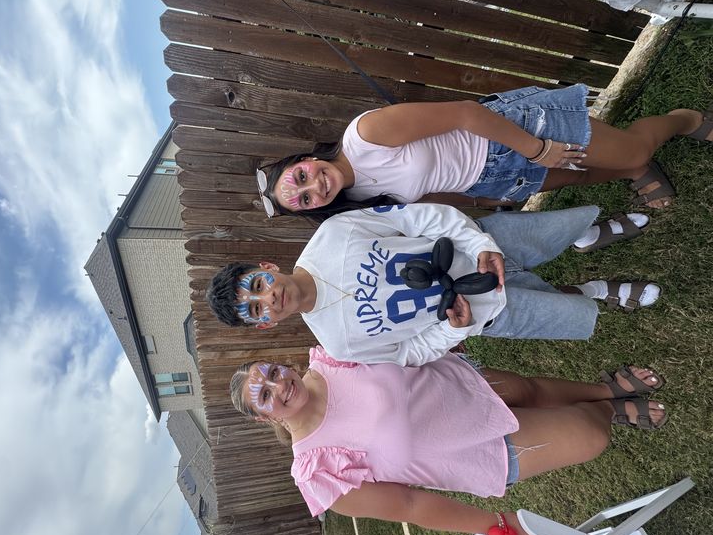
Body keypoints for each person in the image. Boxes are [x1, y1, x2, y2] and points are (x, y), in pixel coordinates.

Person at [230, 346, 668, 535]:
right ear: (265, 418)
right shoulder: (317, 468)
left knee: (534, 389)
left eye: (269, 372)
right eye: (264, 396)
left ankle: (604, 389)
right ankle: (611, 411)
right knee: (589, 436)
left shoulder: (329, 358)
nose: (277, 385)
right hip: (481, 451)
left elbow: (394, 347)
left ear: (279, 362)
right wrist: (495, 524)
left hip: (465, 384)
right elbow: (407, 504)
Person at [206, 203, 660, 366]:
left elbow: (414, 217)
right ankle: (596, 291)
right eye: (256, 308)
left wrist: (477, 241)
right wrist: (454, 330)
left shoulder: (330, 237)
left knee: (553, 231)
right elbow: (408, 353)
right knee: (565, 313)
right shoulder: (339, 343)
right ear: (264, 325)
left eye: (258, 284)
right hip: (484, 313)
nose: (269, 297)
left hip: (482, 246)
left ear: (266, 266)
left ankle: (588, 236)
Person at [254, 85, 712, 218]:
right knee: (578, 176)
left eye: (301, 178)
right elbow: (430, 195)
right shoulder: (357, 202)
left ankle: (684, 118)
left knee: (631, 149)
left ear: (303, 161)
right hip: (490, 178)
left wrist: (538, 150)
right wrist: (483, 200)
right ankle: (632, 171)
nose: (314, 186)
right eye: (307, 199)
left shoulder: (366, 135)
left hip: (512, 135)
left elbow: (466, 114)